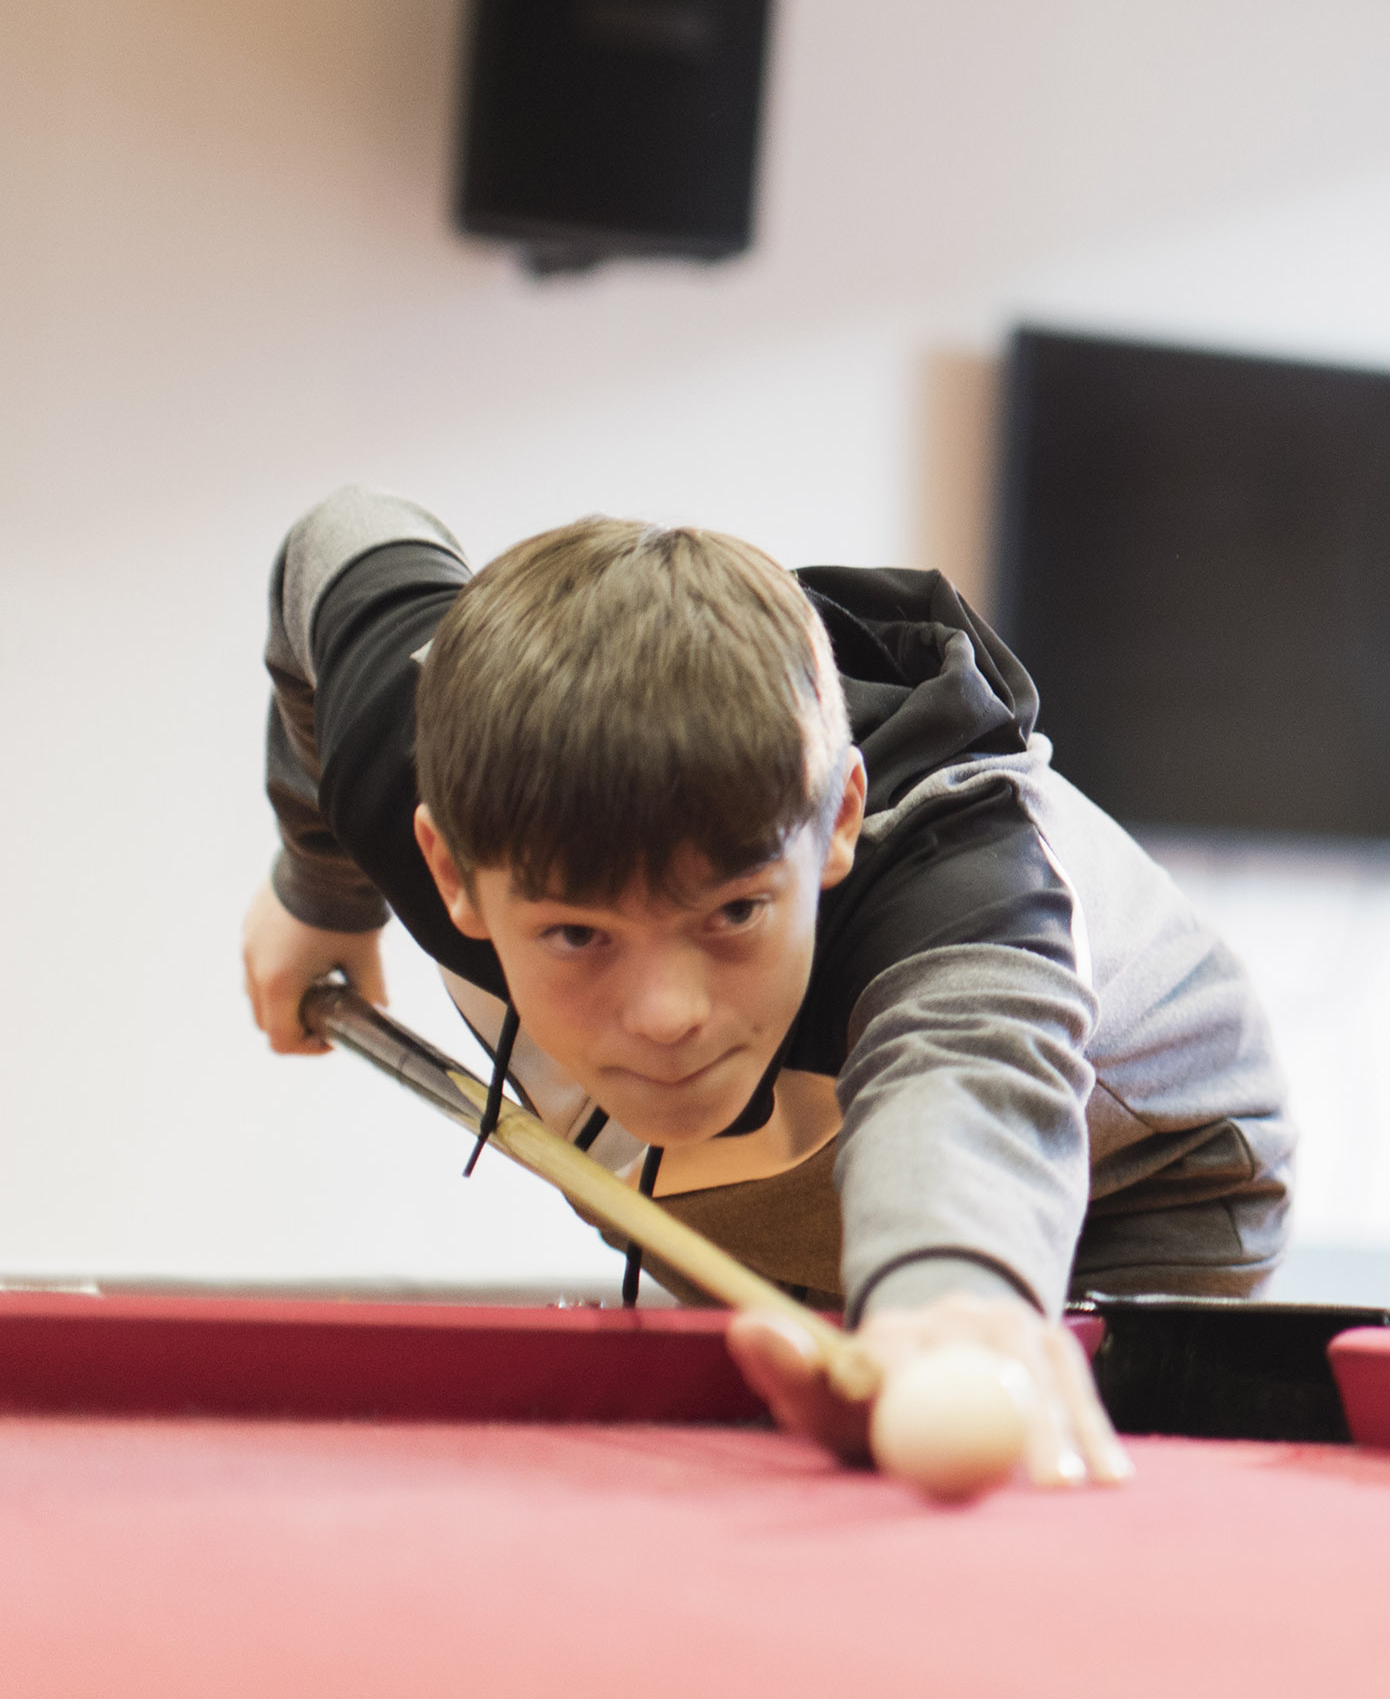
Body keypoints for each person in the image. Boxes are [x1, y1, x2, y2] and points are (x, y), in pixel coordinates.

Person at [238, 488, 1294, 1486]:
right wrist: (323, 887)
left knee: (1000, 1495)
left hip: (1132, 1181)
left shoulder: (956, 884)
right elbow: (341, 537)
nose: (667, 1015)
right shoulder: (407, 760)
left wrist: (951, 1289)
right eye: (577, 933)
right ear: (452, 869)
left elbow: (965, 1092)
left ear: (838, 820)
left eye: (734, 911)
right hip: (760, 1198)